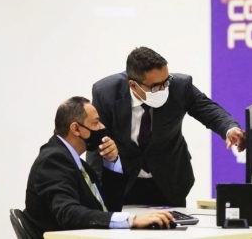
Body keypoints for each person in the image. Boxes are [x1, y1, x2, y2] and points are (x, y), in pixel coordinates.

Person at [87, 46, 245, 207]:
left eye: (166, 81)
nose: (164, 89)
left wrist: (229, 128)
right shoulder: (106, 92)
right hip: (123, 183)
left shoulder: (180, 86)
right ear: (133, 85)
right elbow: (97, 145)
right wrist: (95, 192)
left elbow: (208, 110)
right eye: (156, 86)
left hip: (169, 182)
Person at [23, 96, 174, 237]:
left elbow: (108, 207)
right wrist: (131, 219)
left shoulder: (75, 162)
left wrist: (111, 161)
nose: (102, 127)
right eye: (95, 123)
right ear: (75, 129)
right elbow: (68, 213)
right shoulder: (53, 160)